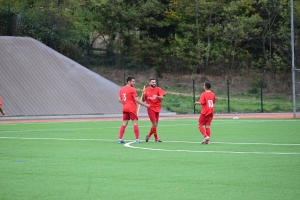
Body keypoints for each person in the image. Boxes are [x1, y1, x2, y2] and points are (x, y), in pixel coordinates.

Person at [118, 77, 150, 144]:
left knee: (124, 124)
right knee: (135, 123)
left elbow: (119, 99)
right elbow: (136, 100)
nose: (134, 83)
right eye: (133, 81)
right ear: (129, 82)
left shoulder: (122, 89)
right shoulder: (132, 89)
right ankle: (137, 139)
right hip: (131, 108)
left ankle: (120, 139)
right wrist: (145, 105)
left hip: (125, 108)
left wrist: (125, 103)